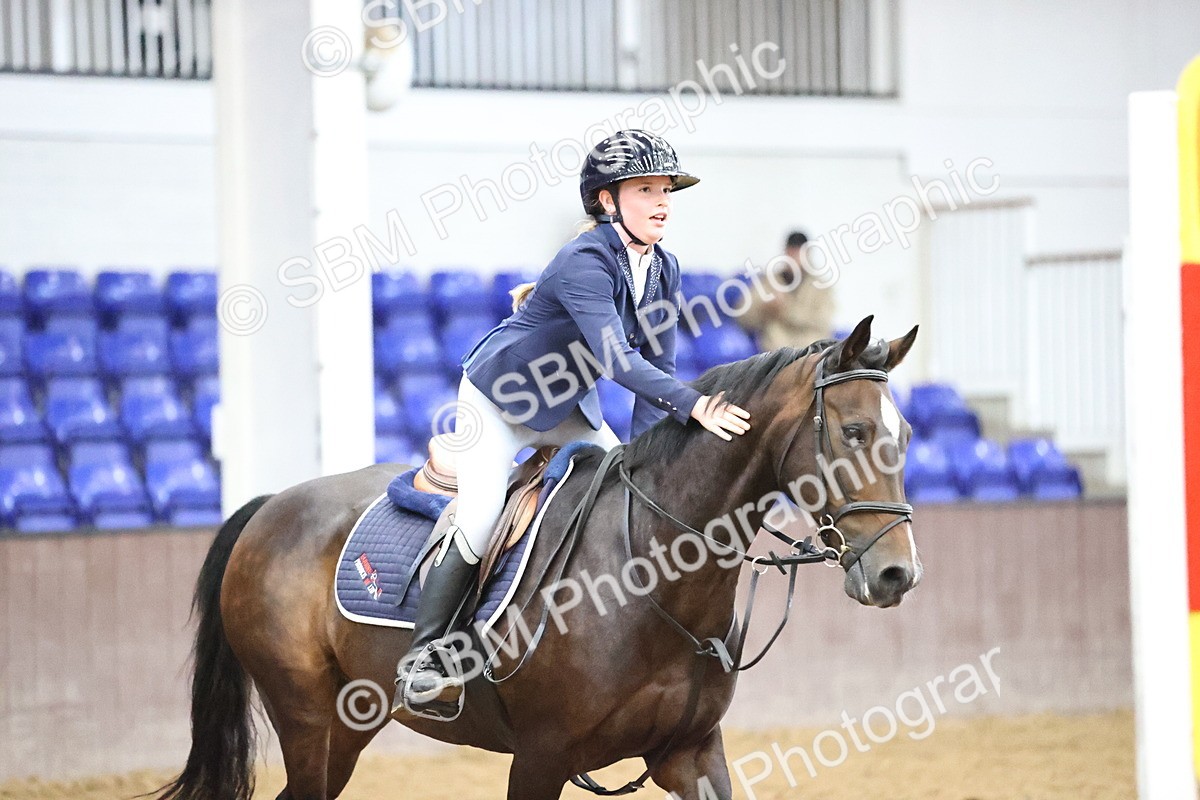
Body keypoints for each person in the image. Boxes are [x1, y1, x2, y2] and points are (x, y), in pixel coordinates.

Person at [392, 129, 753, 717]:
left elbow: (659, 366)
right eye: (645, 190)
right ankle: (425, 658)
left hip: (566, 411)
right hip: (499, 404)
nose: (662, 202)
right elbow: (618, 362)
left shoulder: (663, 267)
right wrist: (696, 405)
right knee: (480, 518)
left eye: (666, 190)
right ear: (608, 201)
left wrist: (647, 457)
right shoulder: (585, 260)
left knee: (623, 495)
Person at [738, 231, 836, 351]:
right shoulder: (769, 282)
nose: (793, 260)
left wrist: (785, 310)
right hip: (776, 349)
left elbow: (824, 321)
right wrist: (765, 308)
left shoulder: (820, 287)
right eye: (790, 254)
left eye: (798, 254)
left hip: (810, 348)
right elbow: (743, 316)